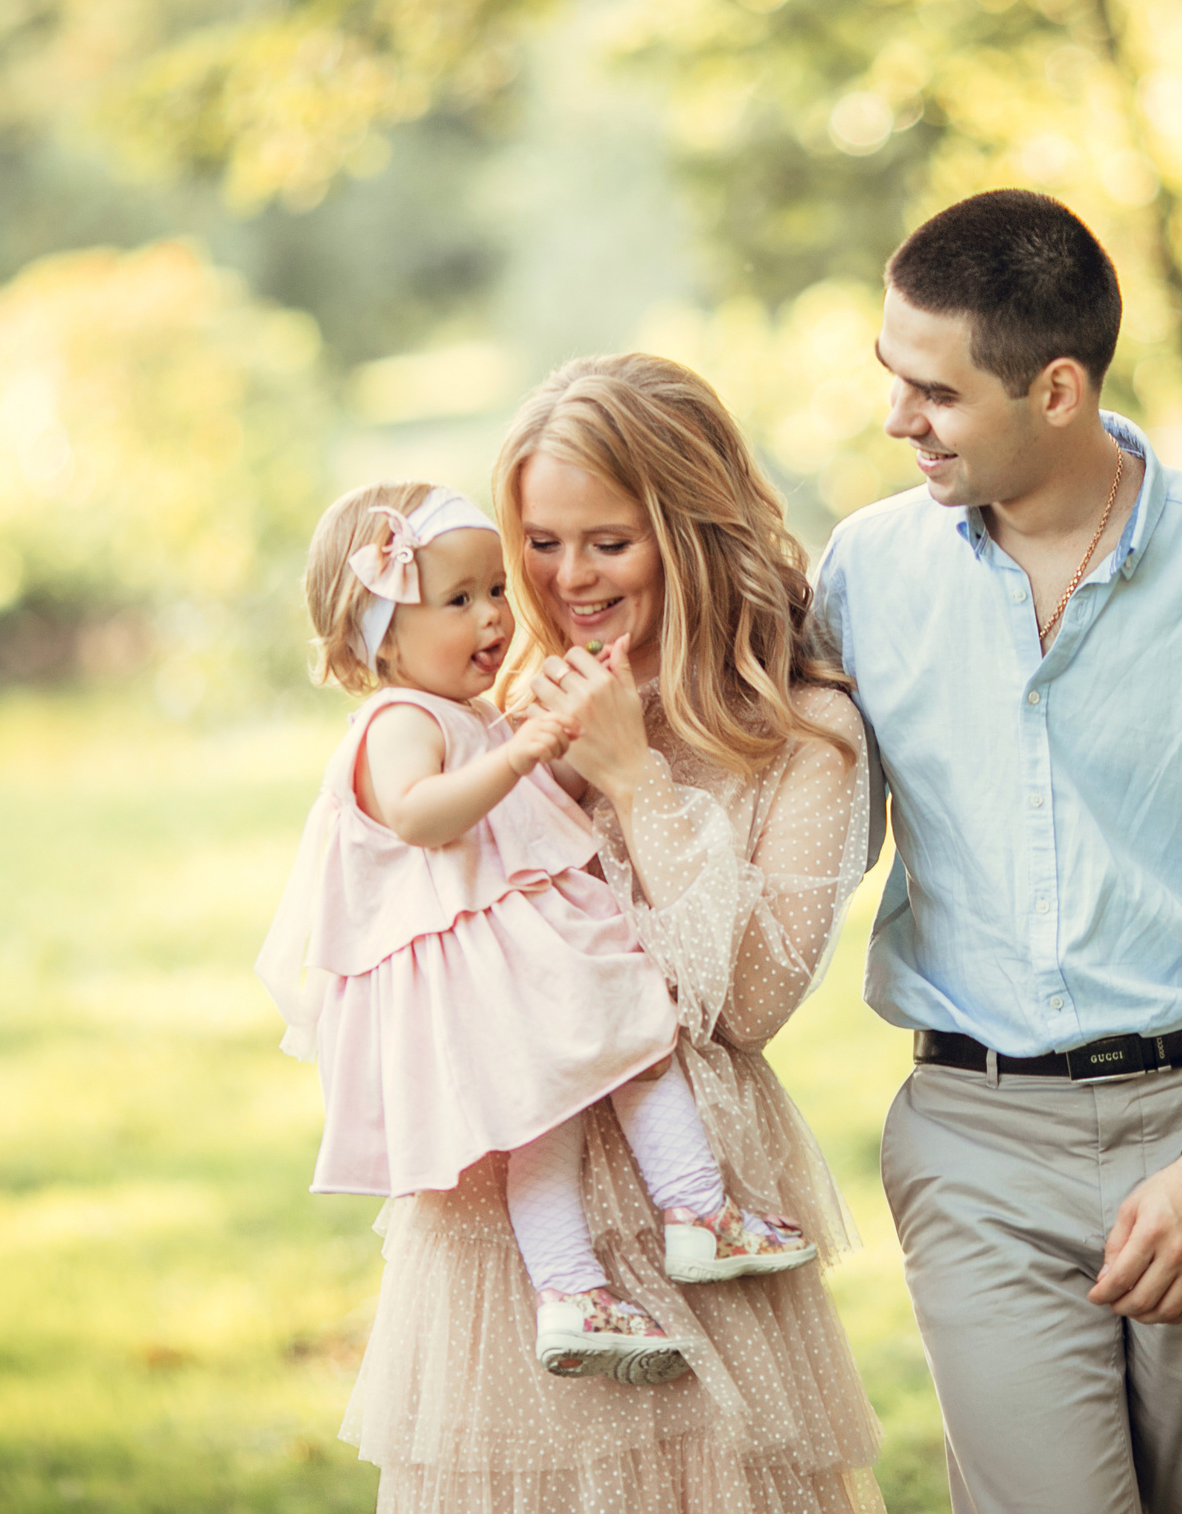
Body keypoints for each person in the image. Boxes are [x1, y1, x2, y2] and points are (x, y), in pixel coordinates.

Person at [817, 189, 1182, 1514]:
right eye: (891, 378)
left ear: (1061, 388)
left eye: (937, 393)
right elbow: (793, 827)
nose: (898, 418)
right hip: (978, 1139)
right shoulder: (865, 570)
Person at [338, 356, 888, 1513]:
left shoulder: (802, 732)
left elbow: (744, 1008)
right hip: (509, 1223)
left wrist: (638, 782)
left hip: (699, 1209)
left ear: (686, 532)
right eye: (540, 542)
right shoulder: (500, 710)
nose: (566, 579)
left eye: (607, 542)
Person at [254, 481, 818, 1389]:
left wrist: (544, 731)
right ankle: (694, 1212)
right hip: (487, 976)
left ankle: (577, 1289)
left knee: (552, 1121)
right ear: (381, 634)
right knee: (636, 1036)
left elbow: (518, 805)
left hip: (500, 970)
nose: (493, 618)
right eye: (458, 600)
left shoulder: (463, 715)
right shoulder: (397, 721)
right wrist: (519, 751)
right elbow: (419, 816)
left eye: (493, 592)